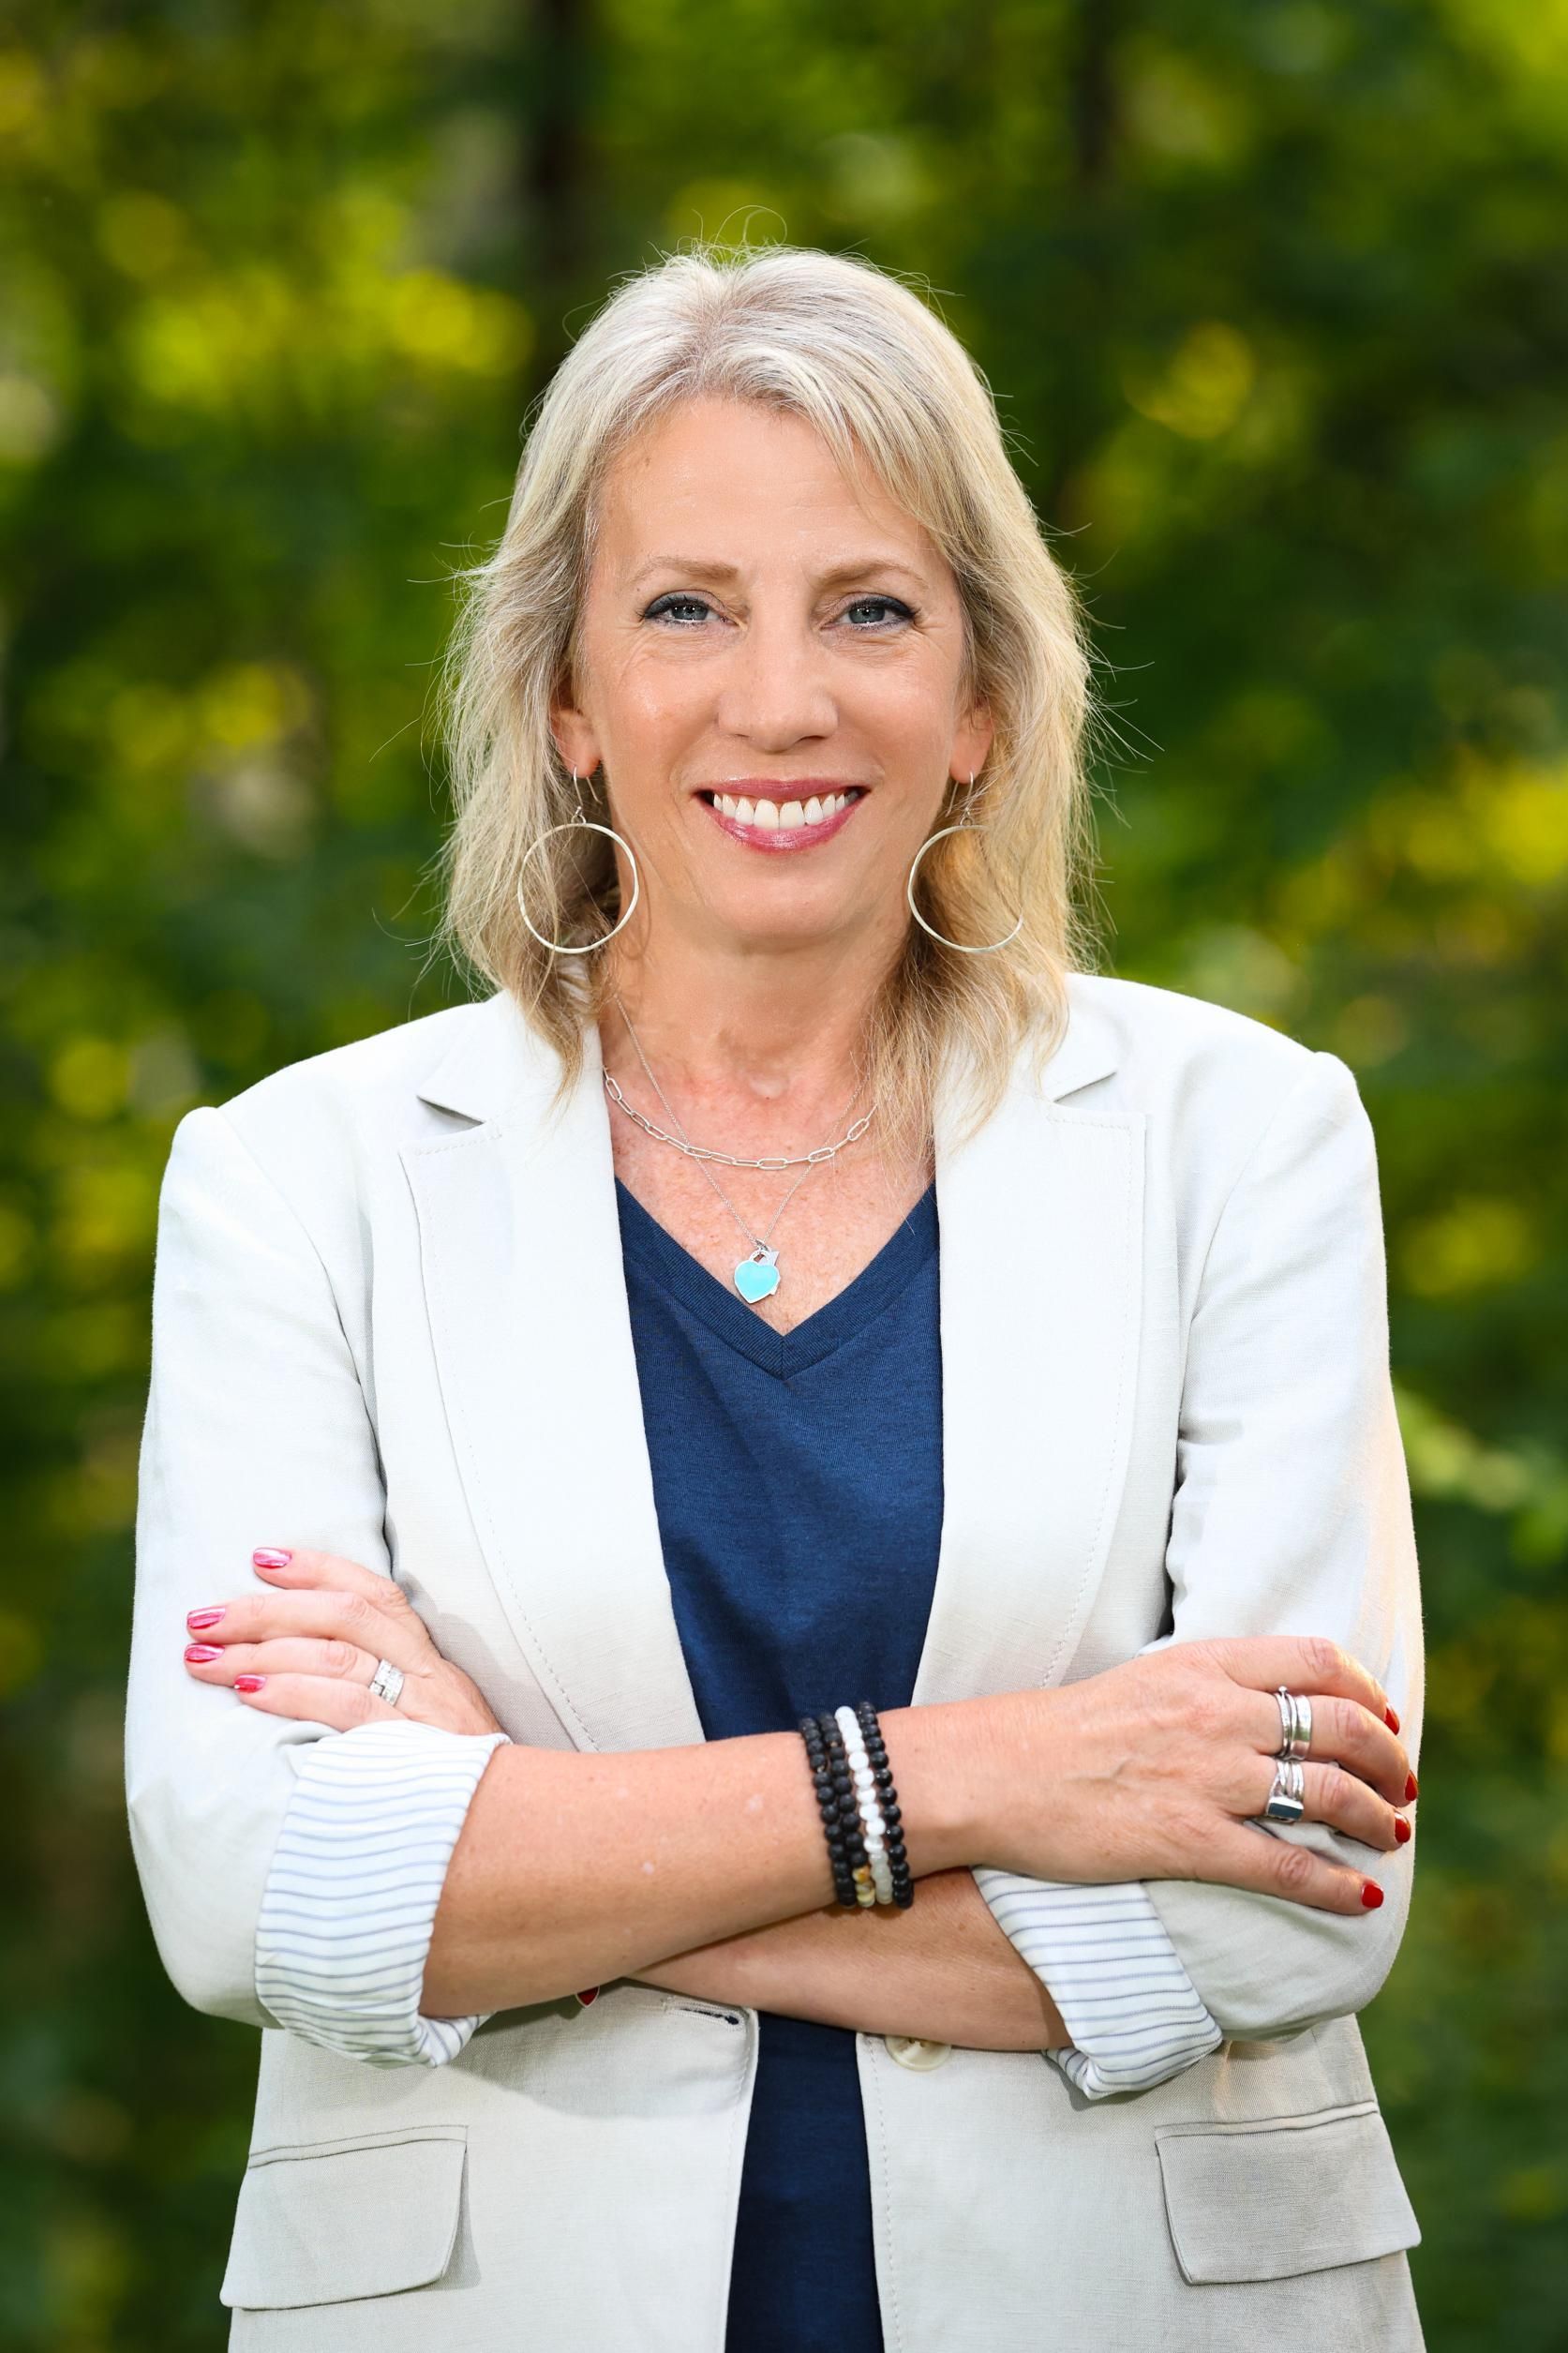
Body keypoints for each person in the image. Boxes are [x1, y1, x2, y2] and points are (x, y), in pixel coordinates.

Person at [125, 241, 1426, 2350]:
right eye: (684, 607)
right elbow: (254, 1891)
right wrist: (973, 1782)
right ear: (567, 692)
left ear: (985, 696)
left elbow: (1286, 1912)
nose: (781, 698)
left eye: (873, 608)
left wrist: (520, 1847)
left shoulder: (1244, 1140)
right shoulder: (299, 1183)